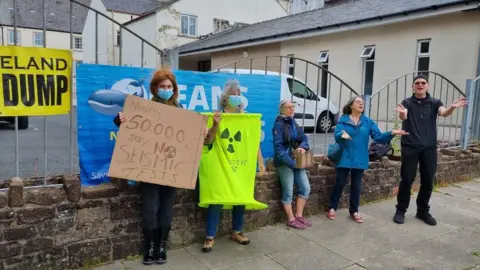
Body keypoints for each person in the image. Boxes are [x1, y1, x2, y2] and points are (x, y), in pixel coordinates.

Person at [113, 68, 212, 266]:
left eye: (169, 86)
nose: (166, 89)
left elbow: (188, 138)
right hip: (150, 169)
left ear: (174, 89)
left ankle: (161, 246)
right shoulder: (145, 107)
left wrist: (201, 132)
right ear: (155, 88)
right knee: (150, 209)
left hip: (172, 169)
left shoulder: (181, 109)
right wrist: (120, 120)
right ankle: (149, 247)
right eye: (162, 86)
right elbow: (131, 129)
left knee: (166, 209)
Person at [393, 75, 467, 226]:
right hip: (410, 147)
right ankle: (401, 210)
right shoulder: (406, 102)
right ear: (413, 87)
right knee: (407, 179)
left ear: (428, 85)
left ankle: (422, 211)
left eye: (423, 83)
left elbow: (443, 112)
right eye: (417, 83)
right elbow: (403, 115)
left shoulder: (435, 103)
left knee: (428, 181)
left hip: (429, 149)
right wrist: (403, 114)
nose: (420, 85)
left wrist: (452, 107)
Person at [201, 79, 266, 252]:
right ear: (225, 98)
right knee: (217, 197)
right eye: (232, 95)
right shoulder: (216, 116)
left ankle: (237, 231)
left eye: (238, 94)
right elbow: (208, 141)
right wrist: (215, 124)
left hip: (240, 164)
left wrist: (261, 162)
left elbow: (253, 143)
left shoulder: (246, 118)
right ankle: (210, 236)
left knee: (240, 196)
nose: (236, 97)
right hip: (220, 163)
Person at [327, 96, 408, 223]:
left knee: (357, 186)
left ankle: (354, 211)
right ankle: (332, 207)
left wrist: (392, 133)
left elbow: (379, 137)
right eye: (358, 102)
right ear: (351, 106)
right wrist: (341, 135)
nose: (361, 104)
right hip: (345, 156)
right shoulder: (343, 120)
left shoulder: (368, 122)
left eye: (362, 103)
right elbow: (337, 135)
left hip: (360, 157)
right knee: (339, 183)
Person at [273, 100, 312, 230]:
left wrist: (302, 147)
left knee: (305, 188)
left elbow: (305, 139)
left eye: (292, 107)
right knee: (288, 191)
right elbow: (278, 149)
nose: (291, 109)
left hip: (297, 162)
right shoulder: (278, 124)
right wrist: (291, 163)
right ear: (282, 109)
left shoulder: (293, 122)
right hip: (285, 162)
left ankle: (299, 216)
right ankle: (291, 219)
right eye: (288, 107)